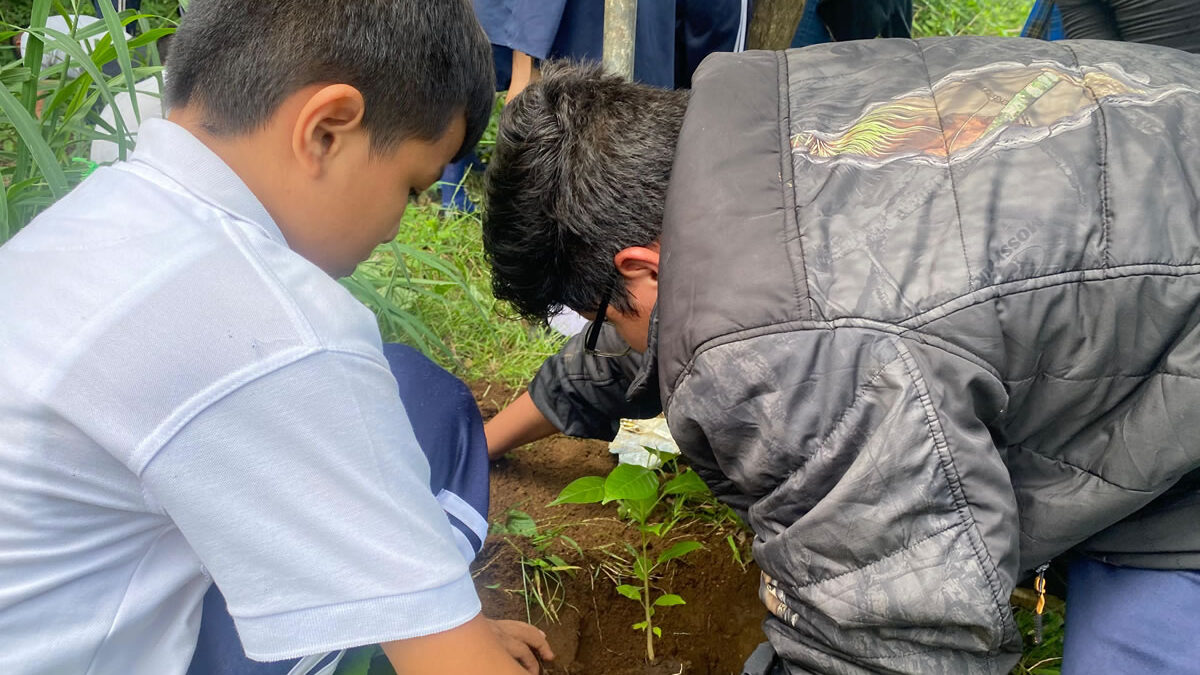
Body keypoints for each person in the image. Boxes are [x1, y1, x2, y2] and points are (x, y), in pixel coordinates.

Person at [480, 40, 1200, 674]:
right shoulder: (757, 121)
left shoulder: (800, 354)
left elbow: (896, 637)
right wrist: (487, 440)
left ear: (639, 266)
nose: (601, 332)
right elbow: (650, 329)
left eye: (595, 310)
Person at [0, 2, 553, 674]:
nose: (395, 228)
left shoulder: (97, 218)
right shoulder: (276, 327)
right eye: (411, 188)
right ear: (326, 130)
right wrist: (449, 641)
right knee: (430, 411)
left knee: (405, 385)